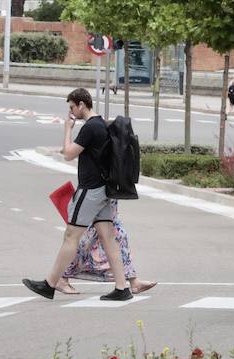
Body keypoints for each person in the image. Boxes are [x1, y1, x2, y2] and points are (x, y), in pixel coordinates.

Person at [23, 88, 156, 301]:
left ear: (81, 105)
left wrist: (67, 128)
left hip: (90, 189)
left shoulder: (90, 127)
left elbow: (67, 154)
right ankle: (122, 288)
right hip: (105, 189)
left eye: (72, 107)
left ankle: (49, 284)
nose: (72, 111)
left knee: (70, 236)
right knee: (108, 238)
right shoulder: (101, 124)